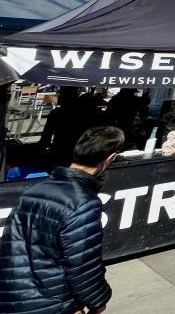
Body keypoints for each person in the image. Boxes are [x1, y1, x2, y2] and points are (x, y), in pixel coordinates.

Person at [0, 125, 125, 314]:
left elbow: (9, 247)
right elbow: (83, 264)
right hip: (52, 304)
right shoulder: (84, 203)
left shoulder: (33, 191)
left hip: (11, 298)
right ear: (109, 159)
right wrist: (98, 301)